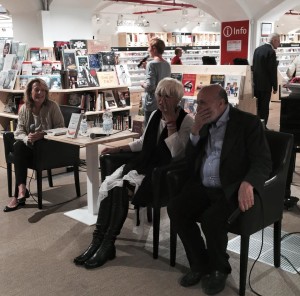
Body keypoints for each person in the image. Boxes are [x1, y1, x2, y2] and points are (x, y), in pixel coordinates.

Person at [73, 77, 194, 269]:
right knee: (112, 186)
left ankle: (107, 243)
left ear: (177, 99)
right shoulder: (154, 115)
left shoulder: (186, 121)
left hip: (164, 176)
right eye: (159, 95)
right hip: (145, 165)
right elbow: (142, 143)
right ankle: (98, 241)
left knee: (119, 188)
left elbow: (177, 154)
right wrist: (118, 149)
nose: (161, 101)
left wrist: (171, 126)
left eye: (167, 97)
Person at [167, 84, 272, 295]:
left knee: (211, 219)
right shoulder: (203, 123)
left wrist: (248, 182)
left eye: (204, 103)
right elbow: (190, 161)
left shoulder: (247, 123)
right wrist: (195, 131)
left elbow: (262, 161)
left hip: (230, 188)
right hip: (204, 186)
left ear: (221, 103)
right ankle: (199, 263)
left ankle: (219, 269)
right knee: (176, 209)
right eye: (198, 103)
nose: (199, 107)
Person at [3, 78, 65, 212]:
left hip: (48, 148)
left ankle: (18, 195)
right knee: (19, 146)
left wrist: (43, 134)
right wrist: (27, 138)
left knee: (19, 150)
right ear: (30, 92)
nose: (40, 93)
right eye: (37, 90)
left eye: (43, 90)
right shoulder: (24, 108)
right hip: (29, 147)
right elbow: (18, 131)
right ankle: (21, 189)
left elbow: (61, 128)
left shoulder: (52, 106)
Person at [252, 32, 280, 129]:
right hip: (265, 85)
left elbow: (254, 67)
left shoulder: (257, 50)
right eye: (278, 41)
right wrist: (275, 87)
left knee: (257, 107)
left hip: (256, 84)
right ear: (274, 40)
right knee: (264, 108)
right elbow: (272, 71)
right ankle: (263, 128)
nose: (279, 44)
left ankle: (256, 126)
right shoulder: (271, 52)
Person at [141, 37, 171, 125]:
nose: (148, 49)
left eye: (149, 47)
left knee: (149, 129)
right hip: (164, 103)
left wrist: (142, 84)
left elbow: (150, 86)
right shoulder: (167, 64)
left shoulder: (151, 64)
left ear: (154, 48)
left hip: (152, 103)